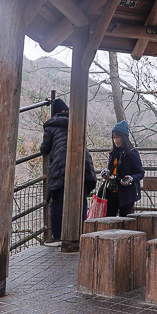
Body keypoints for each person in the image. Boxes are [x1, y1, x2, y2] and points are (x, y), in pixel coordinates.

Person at [40, 98, 96, 244]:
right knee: (80, 198)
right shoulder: (76, 121)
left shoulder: (51, 125)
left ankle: (57, 235)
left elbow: (44, 148)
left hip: (61, 165)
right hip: (83, 163)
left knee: (58, 199)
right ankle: (81, 233)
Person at [103, 120, 144, 217]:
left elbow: (140, 173)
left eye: (118, 137)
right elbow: (111, 169)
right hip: (111, 192)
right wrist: (106, 172)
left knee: (125, 220)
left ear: (124, 138)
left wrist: (131, 178)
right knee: (108, 218)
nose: (115, 140)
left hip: (127, 195)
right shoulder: (113, 153)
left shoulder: (132, 153)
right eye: (114, 138)